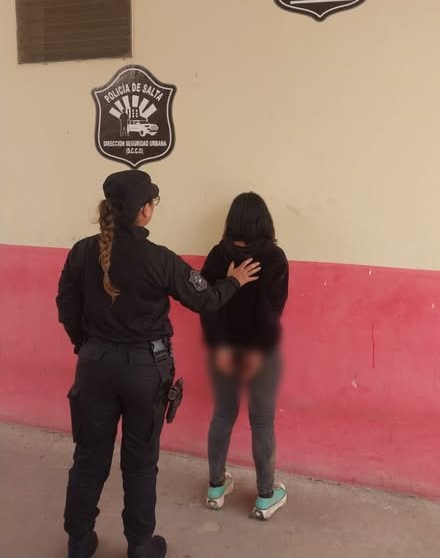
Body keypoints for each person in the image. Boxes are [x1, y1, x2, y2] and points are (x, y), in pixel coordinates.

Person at [56, 170, 260, 558]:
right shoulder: (159, 259)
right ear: (145, 210)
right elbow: (206, 300)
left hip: (94, 367)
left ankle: (79, 543)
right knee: (140, 464)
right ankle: (139, 546)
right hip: (145, 373)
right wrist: (234, 281)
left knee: (88, 459)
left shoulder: (81, 251)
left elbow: (66, 304)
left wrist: (87, 346)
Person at [200, 192, 289, 520]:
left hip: (222, 350)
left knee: (223, 415)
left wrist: (220, 346)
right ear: (264, 221)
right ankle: (265, 496)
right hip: (261, 352)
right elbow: (270, 309)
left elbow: (206, 304)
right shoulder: (274, 257)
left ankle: (215, 488)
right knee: (262, 420)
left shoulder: (218, 254)